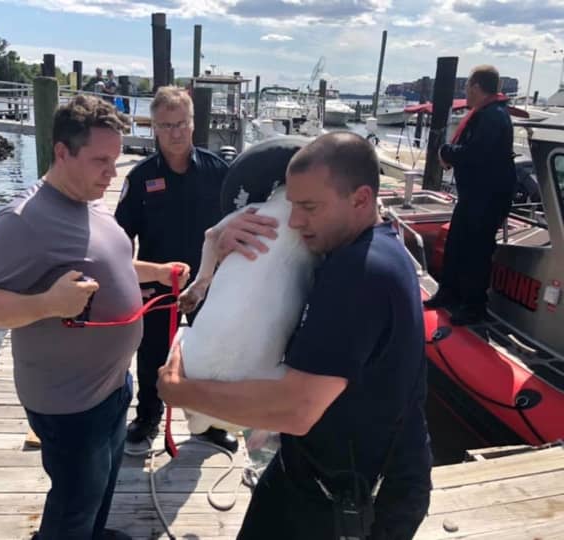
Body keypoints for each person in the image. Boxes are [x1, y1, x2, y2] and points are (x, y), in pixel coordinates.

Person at [158, 132, 432, 540]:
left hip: (355, 500)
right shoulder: (368, 246)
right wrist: (220, 245)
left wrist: (180, 391)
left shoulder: (361, 274)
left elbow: (297, 410)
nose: (295, 220)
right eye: (290, 205)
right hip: (307, 468)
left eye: (308, 207)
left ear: (360, 199)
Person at [0, 94, 190, 540]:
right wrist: (48, 304)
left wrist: (158, 272)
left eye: (116, 159)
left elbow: (111, 262)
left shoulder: (87, 201)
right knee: (74, 503)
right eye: (100, 161)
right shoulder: (22, 221)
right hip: (69, 405)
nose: (112, 172)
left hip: (110, 387)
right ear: (62, 152)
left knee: (101, 485)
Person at [115, 85, 237, 451]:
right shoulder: (139, 179)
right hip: (159, 283)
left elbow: (238, 226)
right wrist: (142, 276)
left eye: (181, 123)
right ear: (154, 127)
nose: (175, 132)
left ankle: (206, 423)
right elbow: (120, 241)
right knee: (152, 352)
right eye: (166, 125)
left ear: (193, 123)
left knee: (211, 354)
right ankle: (148, 417)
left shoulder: (220, 172)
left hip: (209, 283)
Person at [425, 65, 517, 325]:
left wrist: (446, 152)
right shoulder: (487, 114)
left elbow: (476, 154)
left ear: (476, 87)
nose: (466, 92)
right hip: (474, 195)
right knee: (456, 245)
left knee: (476, 251)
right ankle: (448, 292)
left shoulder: (493, 116)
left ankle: (474, 306)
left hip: (488, 197)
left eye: (467, 87)